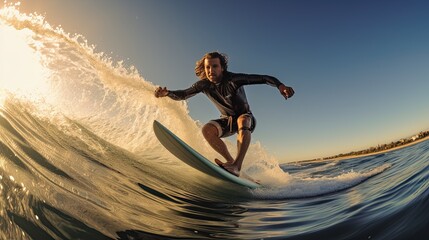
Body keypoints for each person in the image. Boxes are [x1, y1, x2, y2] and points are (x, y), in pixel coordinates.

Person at [155, 52, 294, 177]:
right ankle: (230, 161)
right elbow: (183, 94)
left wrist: (280, 86)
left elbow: (264, 78)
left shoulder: (233, 79)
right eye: (208, 67)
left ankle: (237, 166)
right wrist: (167, 93)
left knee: (242, 120)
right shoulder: (203, 85)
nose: (211, 70)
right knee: (207, 130)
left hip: (246, 117)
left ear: (222, 67)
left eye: (215, 66)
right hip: (227, 121)